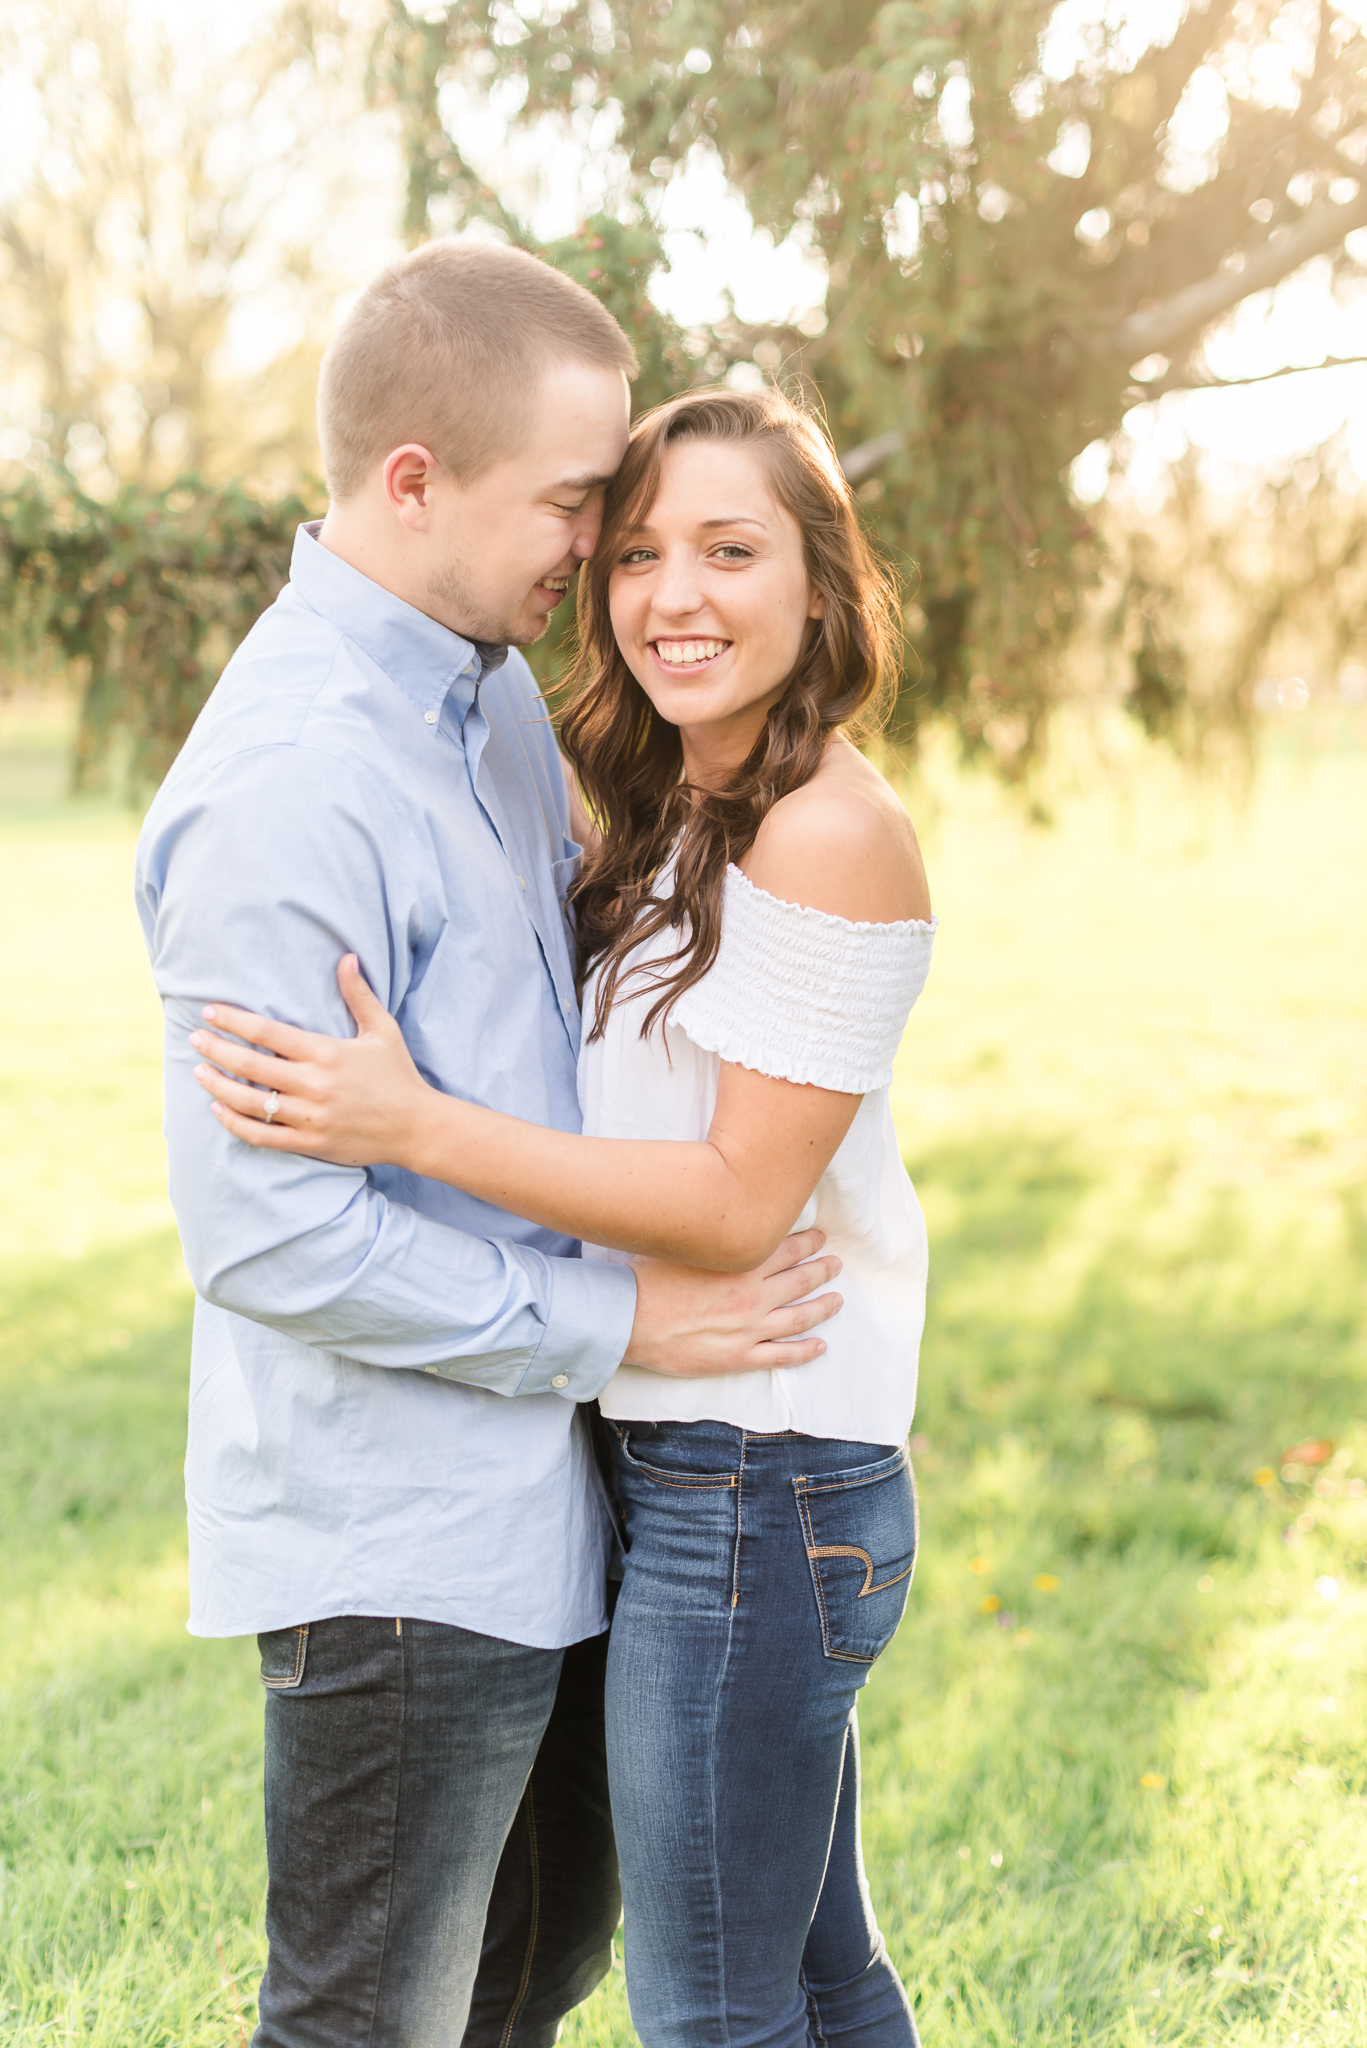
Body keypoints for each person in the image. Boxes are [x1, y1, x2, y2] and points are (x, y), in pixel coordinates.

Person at [135, 248, 846, 2048]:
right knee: (373, 2021)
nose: (600, 551)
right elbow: (271, 1237)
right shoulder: (295, 779)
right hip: (400, 1551)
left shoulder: (492, 696)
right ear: (412, 484)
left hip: (557, 1516)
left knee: (525, 1988)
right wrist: (627, 1331)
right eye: (577, 504)